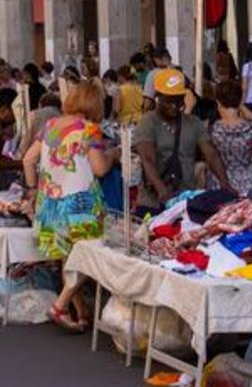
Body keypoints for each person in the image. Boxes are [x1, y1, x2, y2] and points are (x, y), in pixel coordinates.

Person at [22, 80, 118, 332]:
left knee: (68, 257)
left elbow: (28, 160)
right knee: (88, 256)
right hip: (80, 203)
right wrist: (113, 155)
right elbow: (99, 169)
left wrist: (33, 189)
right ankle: (60, 305)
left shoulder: (50, 126)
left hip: (50, 202)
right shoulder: (90, 130)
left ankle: (81, 312)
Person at [133, 68, 230, 208]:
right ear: (158, 97)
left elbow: (211, 153)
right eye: (168, 101)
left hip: (184, 199)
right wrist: (161, 190)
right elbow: (147, 159)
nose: (174, 106)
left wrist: (225, 183)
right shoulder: (147, 123)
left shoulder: (194, 122)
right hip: (153, 202)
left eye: (178, 101)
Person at [208, 79, 252, 195]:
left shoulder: (214, 129)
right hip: (250, 184)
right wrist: (241, 105)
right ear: (239, 101)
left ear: (218, 102)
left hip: (220, 185)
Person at [19, 91, 62, 159]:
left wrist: (22, 154)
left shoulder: (31, 115)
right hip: (53, 156)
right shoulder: (62, 118)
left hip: (32, 154)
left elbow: (25, 138)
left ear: (40, 104)